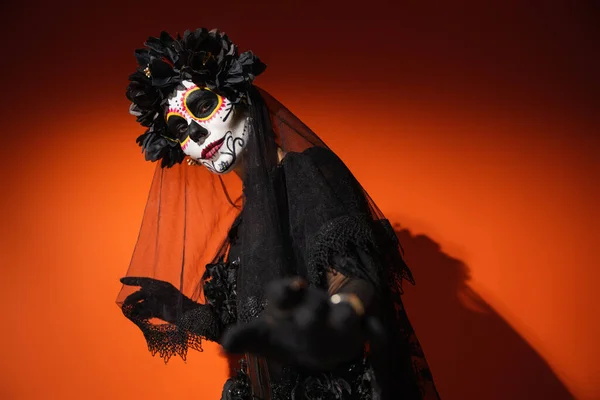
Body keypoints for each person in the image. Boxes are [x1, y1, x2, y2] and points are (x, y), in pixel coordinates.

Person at [117, 28, 440, 400]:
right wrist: (183, 309)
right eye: (180, 130)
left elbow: (354, 276)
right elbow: (257, 329)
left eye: (204, 106)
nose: (199, 135)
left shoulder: (308, 174)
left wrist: (341, 310)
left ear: (240, 96)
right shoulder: (248, 220)